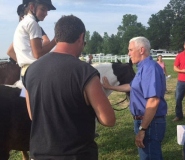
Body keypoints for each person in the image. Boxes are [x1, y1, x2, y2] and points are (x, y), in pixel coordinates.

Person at [23, 15, 116, 159]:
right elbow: (108, 120)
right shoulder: (85, 72)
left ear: (57, 37)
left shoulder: (31, 71)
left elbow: (32, 114)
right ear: (81, 37)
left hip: (40, 154)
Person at [102, 36, 167, 160]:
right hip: (146, 121)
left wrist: (143, 129)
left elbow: (153, 101)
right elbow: (131, 86)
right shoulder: (143, 67)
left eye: (131, 50)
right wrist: (110, 87)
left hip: (149, 123)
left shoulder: (150, 69)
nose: (128, 53)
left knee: (150, 156)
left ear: (141, 50)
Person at [13, 0, 56, 77]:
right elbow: (38, 54)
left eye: (47, 10)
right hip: (34, 71)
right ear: (32, 7)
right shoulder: (33, 23)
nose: (46, 13)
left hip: (25, 72)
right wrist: (56, 40)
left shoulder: (23, 23)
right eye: (43, 9)